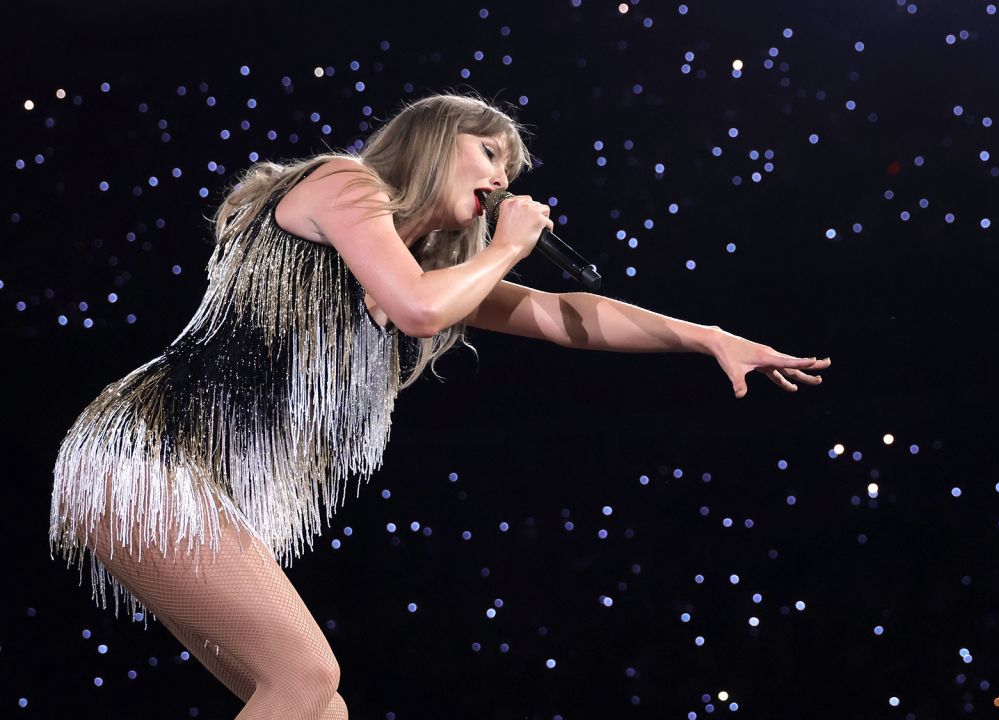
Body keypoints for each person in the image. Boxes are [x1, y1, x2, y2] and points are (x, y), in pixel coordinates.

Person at [49, 93, 832, 719]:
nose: (504, 177)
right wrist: (507, 248)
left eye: (512, 166)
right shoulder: (343, 184)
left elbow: (564, 315)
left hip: (183, 481)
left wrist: (709, 336)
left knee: (321, 709)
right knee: (306, 672)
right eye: (490, 151)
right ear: (430, 138)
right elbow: (421, 311)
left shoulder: (420, 271)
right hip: (146, 456)